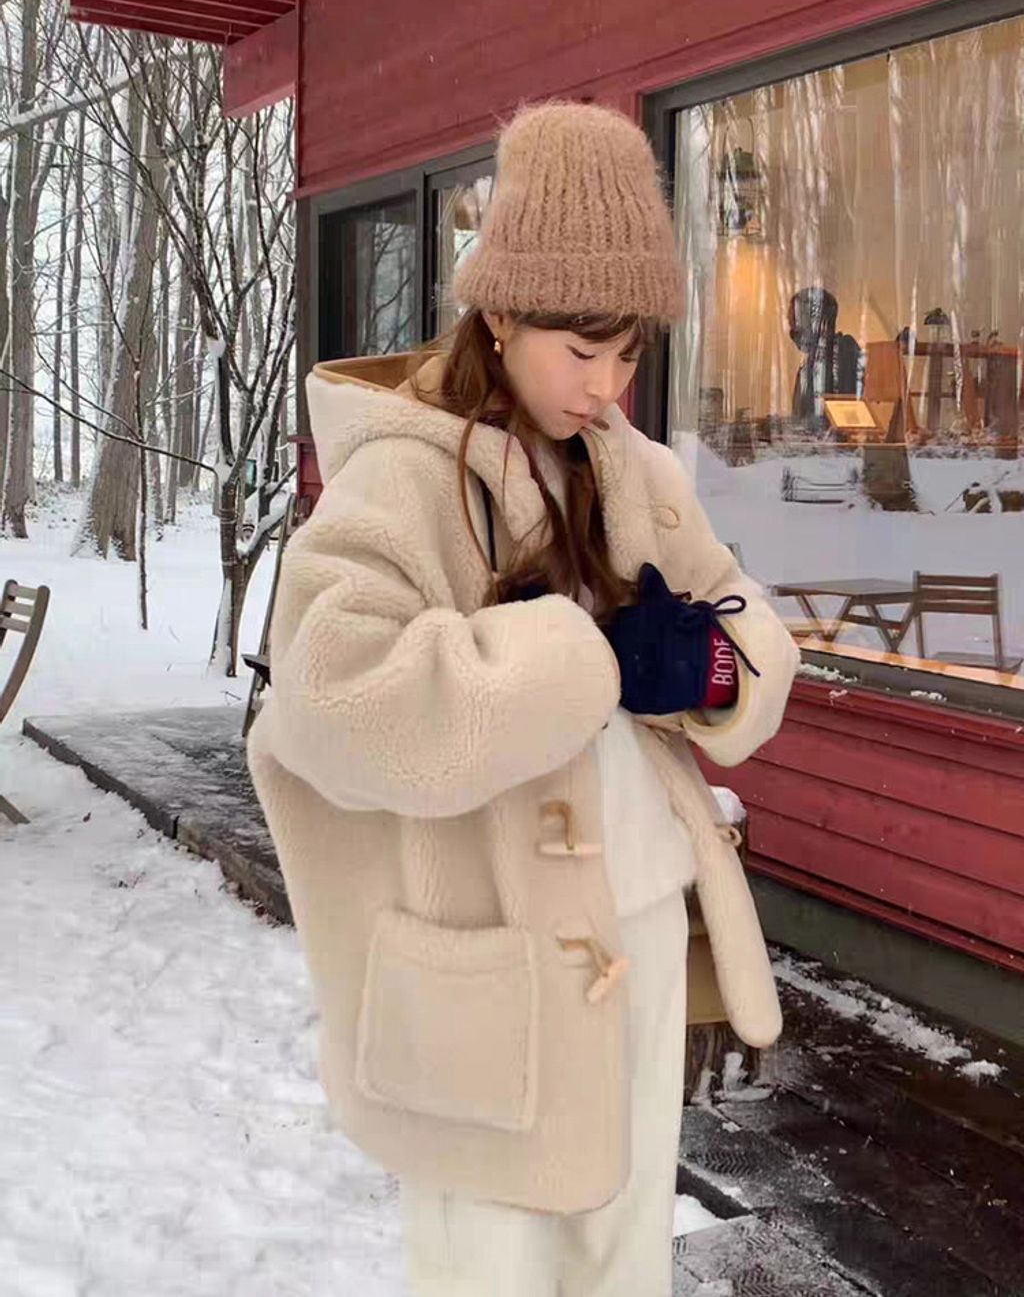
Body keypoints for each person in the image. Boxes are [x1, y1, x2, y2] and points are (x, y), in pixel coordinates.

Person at [247, 101, 800, 1297]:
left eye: (628, 355)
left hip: (640, 918)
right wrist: (583, 657)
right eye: (580, 351)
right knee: (489, 1265)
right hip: (488, 949)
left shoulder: (635, 470)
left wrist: (708, 670)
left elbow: (746, 621)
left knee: (622, 1250)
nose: (606, 387)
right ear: (499, 315)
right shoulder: (401, 474)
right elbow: (332, 700)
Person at [788, 285, 862, 424]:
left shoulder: (843, 350)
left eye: (797, 326)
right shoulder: (809, 365)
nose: (793, 333)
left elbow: (844, 415)